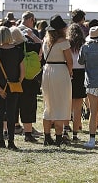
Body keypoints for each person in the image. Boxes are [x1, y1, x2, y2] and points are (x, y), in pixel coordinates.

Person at [0, 26, 25, 149]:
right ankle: (11, 142)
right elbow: (22, 71)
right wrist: (19, 82)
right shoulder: (18, 50)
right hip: (14, 85)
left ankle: (1, 141)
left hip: (0, 85)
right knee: (11, 113)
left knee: (0, 112)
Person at [41, 15, 73, 147]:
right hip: (60, 70)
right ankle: (59, 137)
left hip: (47, 70)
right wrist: (69, 73)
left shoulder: (45, 41)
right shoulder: (64, 42)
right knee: (61, 103)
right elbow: (70, 62)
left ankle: (47, 136)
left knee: (48, 104)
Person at [67, 23, 86, 142]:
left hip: (69, 72)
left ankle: (65, 129)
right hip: (81, 73)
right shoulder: (84, 44)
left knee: (67, 104)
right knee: (78, 107)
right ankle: (75, 134)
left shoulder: (66, 43)